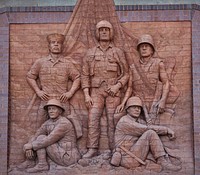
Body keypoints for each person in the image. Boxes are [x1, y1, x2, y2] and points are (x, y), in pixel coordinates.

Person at [81, 20, 129, 158]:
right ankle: (92, 148)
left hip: (113, 91)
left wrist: (117, 86)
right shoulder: (90, 53)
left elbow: (126, 73)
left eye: (106, 30)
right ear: (97, 32)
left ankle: (115, 149)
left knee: (113, 120)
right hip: (95, 91)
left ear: (111, 32)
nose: (103, 32)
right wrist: (86, 94)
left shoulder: (118, 52)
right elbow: (84, 74)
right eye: (101, 29)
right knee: (93, 119)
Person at [26, 33, 81, 135]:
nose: (56, 45)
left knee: (66, 131)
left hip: (62, 101)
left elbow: (77, 77)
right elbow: (30, 76)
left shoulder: (67, 64)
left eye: (59, 43)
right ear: (49, 46)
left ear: (62, 46)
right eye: (53, 42)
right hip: (45, 101)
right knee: (40, 130)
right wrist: (38, 91)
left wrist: (70, 93)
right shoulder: (40, 62)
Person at [110, 96, 181, 172]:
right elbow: (146, 129)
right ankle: (162, 161)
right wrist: (166, 130)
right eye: (134, 107)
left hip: (134, 154)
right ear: (127, 109)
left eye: (139, 108)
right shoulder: (125, 121)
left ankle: (166, 158)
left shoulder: (138, 120)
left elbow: (149, 125)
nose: (137, 110)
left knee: (153, 134)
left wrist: (146, 114)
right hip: (128, 158)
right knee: (150, 133)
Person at [116, 34, 170, 124]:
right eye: (141, 47)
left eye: (146, 46)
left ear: (152, 50)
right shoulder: (133, 67)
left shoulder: (158, 63)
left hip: (154, 102)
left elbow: (166, 83)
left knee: (153, 126)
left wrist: (163, 100)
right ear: (139, 50)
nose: (144, 48)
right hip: (138, 104)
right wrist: (123, 103)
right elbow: (130, 88)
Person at [17, 99, 81, 173]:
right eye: (49, 109)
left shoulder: (64, 123)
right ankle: (30, 161)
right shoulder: (48, 122)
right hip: (59, 152)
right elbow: (36, 134)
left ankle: (42, 165)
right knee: (39, 137)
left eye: (53, 109)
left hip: (68, 157)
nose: (50, 111)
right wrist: (29, 147)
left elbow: (49, 139)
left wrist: (31, 145)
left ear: (60, 111)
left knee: (42, 138)